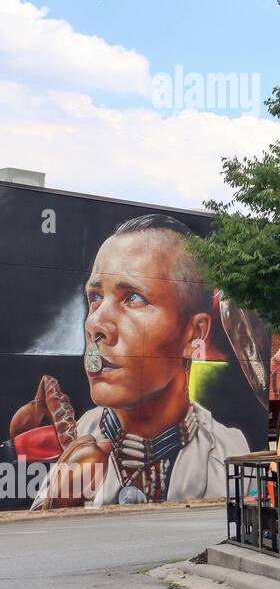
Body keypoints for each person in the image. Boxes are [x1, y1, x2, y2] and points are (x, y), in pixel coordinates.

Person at [32, 214, 251, 508]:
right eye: (95, 297)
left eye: (133, 298)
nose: (95, 322)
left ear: (193, 334)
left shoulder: (229, 451)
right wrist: (59, 502)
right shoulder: (80, 437)